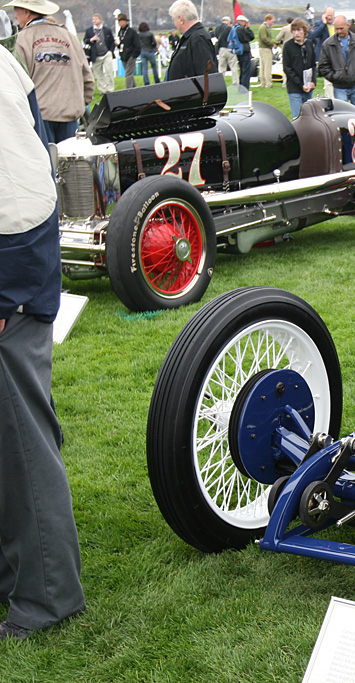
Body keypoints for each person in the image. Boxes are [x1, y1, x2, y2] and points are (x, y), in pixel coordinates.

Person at [0, 45, 86, 644]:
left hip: (11, 279)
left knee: (22, 445)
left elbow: (22, 187)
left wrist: (6, 291)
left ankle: (48, 596)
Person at [7, 0, 93, 144]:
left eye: (17, 11)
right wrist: (78, 105)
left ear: (27, 12)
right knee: (68, 163)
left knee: (46, 163)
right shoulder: (70, 37)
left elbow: (16, 82)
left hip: (39, 117)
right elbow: (88, 79)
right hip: (70, 115)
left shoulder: (21, 40)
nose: (16, 16)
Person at [317, 14, 355, 113]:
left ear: (348, 26)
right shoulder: (328, 44)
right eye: (337, 29)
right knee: (343, 115)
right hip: (339, 87)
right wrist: (335, 77)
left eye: (341, 28)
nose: (339, 32)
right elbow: (323, 66)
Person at [166, 0, 217, 81]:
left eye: (174, 20)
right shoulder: (191, 37)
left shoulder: (198, 38)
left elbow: (206, 76)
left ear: (181, 19)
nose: (175, 24)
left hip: (190, 92)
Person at [283, 18, 315, 117]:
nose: (297, 33)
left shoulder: (309, 44)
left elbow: (313, 64)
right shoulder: (288, 46)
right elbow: (287, 68)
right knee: (297, 117)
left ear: (304, 31)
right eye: (294, 31)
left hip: (308, 87)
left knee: (309, 117)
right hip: (295, 88)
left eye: (299, 30)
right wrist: (300, 84)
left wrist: (313, 81)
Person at [83, 13, 115, 93]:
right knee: (98, 74)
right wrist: (91, 39)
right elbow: (85, 41)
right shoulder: (89, 31)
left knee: (109, 71)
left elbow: (112, 41)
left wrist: (110, 51)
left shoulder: (107, 30)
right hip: (95, 55)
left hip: (106, 53)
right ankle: (102, 90)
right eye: (93, 19)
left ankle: (110, 89)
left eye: (96, 19)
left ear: (100, 20)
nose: (94, 21)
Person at [117, 13, 140, 88]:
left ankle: (129, 90)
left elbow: (137, 44)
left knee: (128, 74)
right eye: (119, 21)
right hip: (123, 55)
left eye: (121, 21)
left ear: (125, 21)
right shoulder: (120, 32)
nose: (120, 23)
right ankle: (134, 88)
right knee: (129, 74)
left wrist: (134, 55)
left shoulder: (131, 31)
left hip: (131, 55)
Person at [213, 16, 238, 85]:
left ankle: (220, 83)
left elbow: (216, 36)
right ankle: (235, 83)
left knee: (221, 68)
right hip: (230, 48)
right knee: (233, 67)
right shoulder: (230, 28)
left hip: (221, 49)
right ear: (229, 22)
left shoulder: (217, 28)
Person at [233, 15, 254, 90]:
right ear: (242, 22)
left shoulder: (235, 28)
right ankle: (245, 88)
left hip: (239, 51)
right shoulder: (241, 29)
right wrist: (248, 28)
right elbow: (251, 37)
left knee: (242, 70)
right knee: (246, 71)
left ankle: (241, 87)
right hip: (244, 52)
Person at [257, 14, 275, 88]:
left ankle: (263, 83)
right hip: (265, 49)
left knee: (263, 67)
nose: (272, 23)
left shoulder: (263, 27)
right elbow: (264, 38)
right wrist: (272, 44)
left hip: (263, 49)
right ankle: (268, 83)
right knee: (267, 67)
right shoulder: (263, 27)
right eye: (272, 21)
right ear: (267, 20)